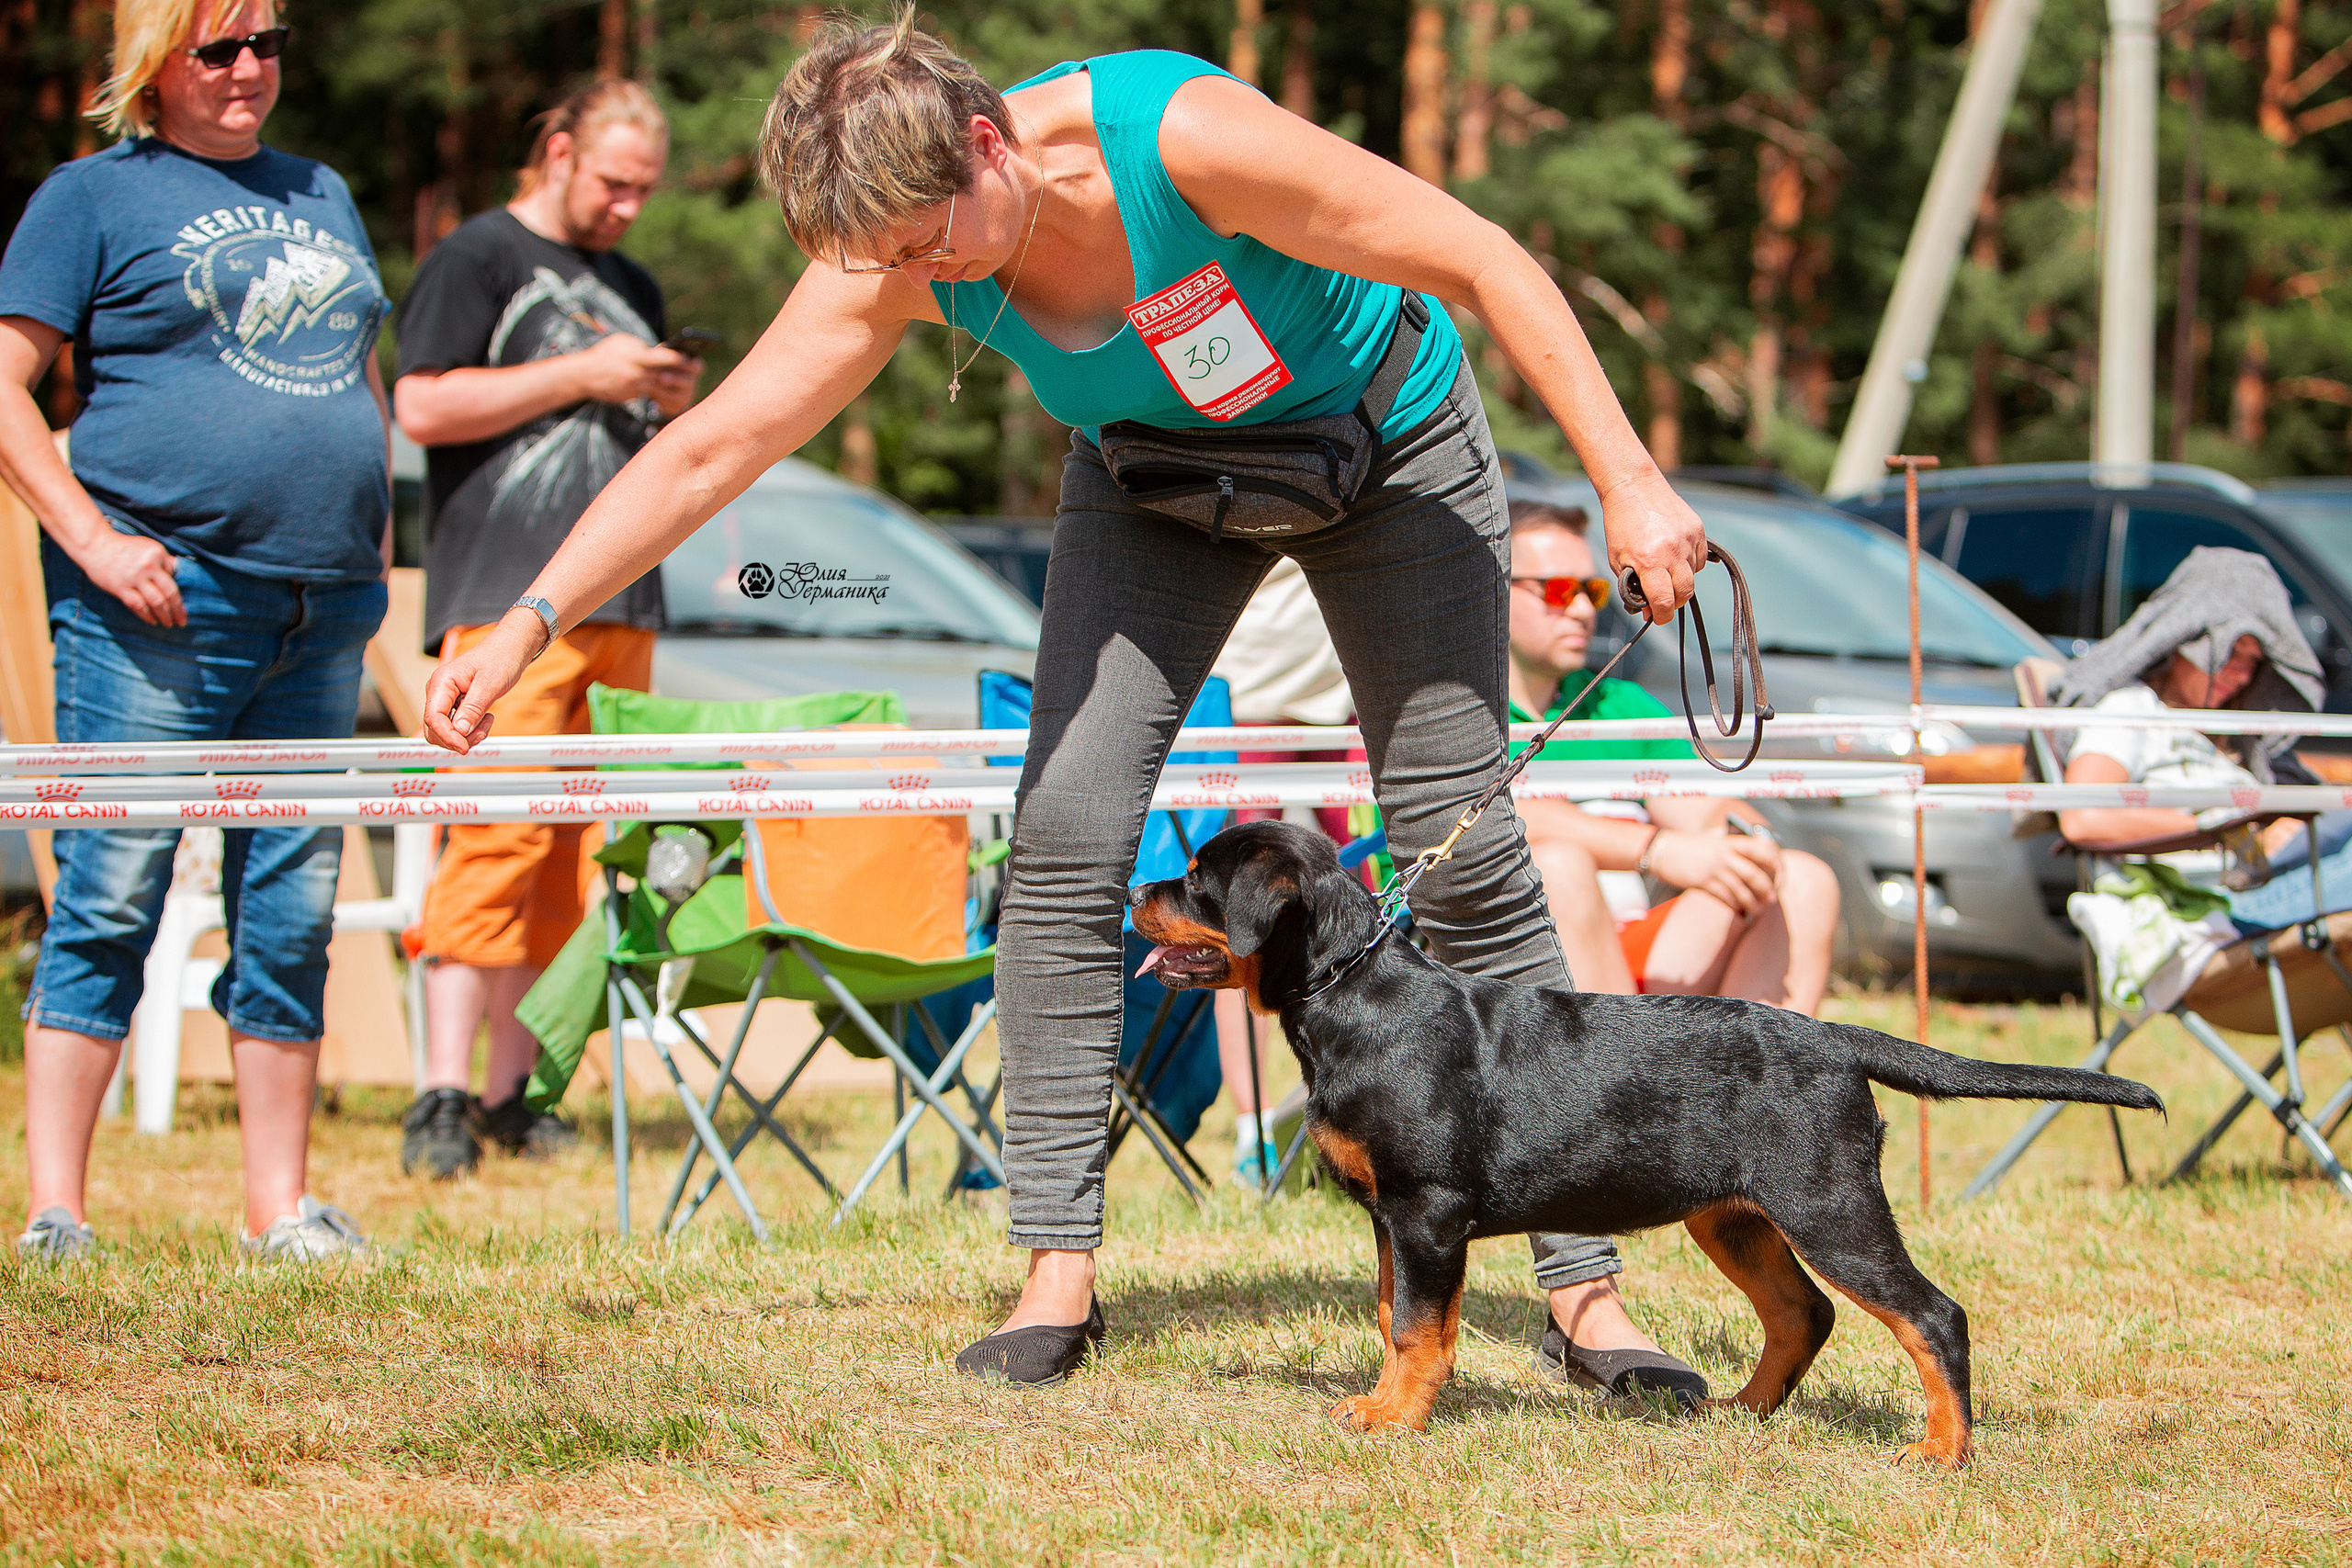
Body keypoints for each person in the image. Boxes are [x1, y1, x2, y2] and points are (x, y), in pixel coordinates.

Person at [419, 18, 1712, 1401]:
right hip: (1157, 482)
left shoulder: (1179, 140)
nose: (924, 278)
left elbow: (1483, 256)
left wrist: (1628, 480)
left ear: (989, 143)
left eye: (930, 242)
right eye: (892, 260)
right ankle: (1055, 1274)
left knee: (1465, 842)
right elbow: (710, 448)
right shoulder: (893, 252)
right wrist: (530, 619)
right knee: (1062, 837)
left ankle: (1585, 1292)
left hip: (1387, 450)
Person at [0, 0, 390, 1261]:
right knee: (113, 888)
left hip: (322, 604)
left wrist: (371, 541)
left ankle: (280, 1209)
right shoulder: (90, 197)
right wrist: (92, 541)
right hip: (159, 603)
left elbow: (358, 374)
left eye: (267, 43)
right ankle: (56, 1212)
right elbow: (4, 386)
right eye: (219, 47)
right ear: (154, 63)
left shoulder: (322, 189)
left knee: (293, 905)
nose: (249, 68)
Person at [390, 81, 704, 1180]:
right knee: (493, 837)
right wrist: (584, 372)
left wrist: (662, 395)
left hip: (623, 601)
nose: (628, 207)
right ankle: (437, 1093)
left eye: (645, 191)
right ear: (560, 152)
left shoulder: (634, 282)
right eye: (614, 183)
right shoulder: (478, 254)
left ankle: (510, 1094)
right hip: (504, 597)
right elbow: (419, 407)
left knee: (574, 853)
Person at [1507, 502, 1838, 1011]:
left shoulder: (1621, 704)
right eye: (1558, 590)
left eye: (1593, 591)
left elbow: (1701, 809)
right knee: (1558, 867)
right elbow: (1496, 816)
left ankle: (1754, 1065)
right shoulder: (1454, 714)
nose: (1583, 610)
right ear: (1494, 592)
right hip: (1503, 969)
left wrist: (1748, 841)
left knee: (1802, 880)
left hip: (1630, 948)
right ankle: (1621, 1064)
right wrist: (1658, 851)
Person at [2052, 547, 2336, 927]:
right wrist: (2225, 831)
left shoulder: (2232, 734)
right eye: (2231, 652)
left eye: (2253, 662)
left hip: (2273, 882)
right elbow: (2083, 818)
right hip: (2209, 906)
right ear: (2184, 639)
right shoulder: (2133, 710)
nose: (2241, 675)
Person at [1206, 556, 1355, 1188]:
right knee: (1238, 915)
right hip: (1253, 685)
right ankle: (1254, 1132)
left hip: (1343, 678)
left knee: (1371, 896)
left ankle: (1364, 1098)